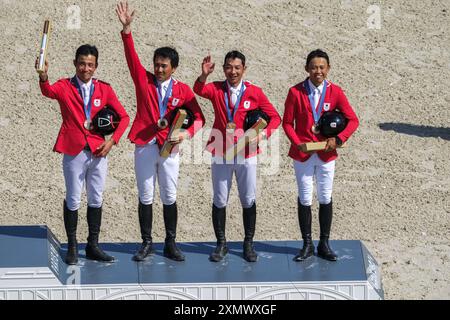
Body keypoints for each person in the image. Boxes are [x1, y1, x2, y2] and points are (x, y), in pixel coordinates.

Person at [116, 1, 205, 262]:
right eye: (156, 64)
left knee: (169, 194)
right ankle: (146, 243)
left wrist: (187, 135)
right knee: (145, 194)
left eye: (163, 66)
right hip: (144, 143)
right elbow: (131, 57)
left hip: (170, 147)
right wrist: (127, 30)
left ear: (173, 68)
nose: (158, 69)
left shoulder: (183, 91)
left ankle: (170, 242)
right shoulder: (143, 80)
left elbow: (199, 118)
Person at [35, 45, 130, 265]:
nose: (85, 68)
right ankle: (73, 246)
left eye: (90, 65)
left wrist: (112, 141)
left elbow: (124, 117)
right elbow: (47, 91)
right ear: (75, 63)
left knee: (96, 198)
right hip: (74, 150)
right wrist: (43, 75)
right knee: (74, 197)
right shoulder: (64, 86)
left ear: (96, 66)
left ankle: (93, 245)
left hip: (98, 150)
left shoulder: (104, 89)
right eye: (81, 63)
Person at [193, 52, 281, 262]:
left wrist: (262, 135)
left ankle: (248, 244)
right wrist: (204, 75)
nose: (233, 71)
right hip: (221, 150)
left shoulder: (254, 92)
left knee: (248, 198)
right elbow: (198, 90)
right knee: (220, 198)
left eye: (237, 68)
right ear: (223, 69)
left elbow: (275, 118)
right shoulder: (216, 89)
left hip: (246, 152)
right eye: (229, 67)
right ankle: (221, 244)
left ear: (244, 69)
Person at [282, 49, 359, 262]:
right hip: (303, 154)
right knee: (305, 197)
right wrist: (298, 144)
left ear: (328, 69)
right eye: (314, 67)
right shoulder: (295, 92)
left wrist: (339, 139)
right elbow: (287, 122)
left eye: (322, 67)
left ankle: (324, 243)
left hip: (326, 153)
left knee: (325, 196)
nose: (318, 71)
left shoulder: (335, 92)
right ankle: (307, 244)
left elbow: (353, 120)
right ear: (307, 68)